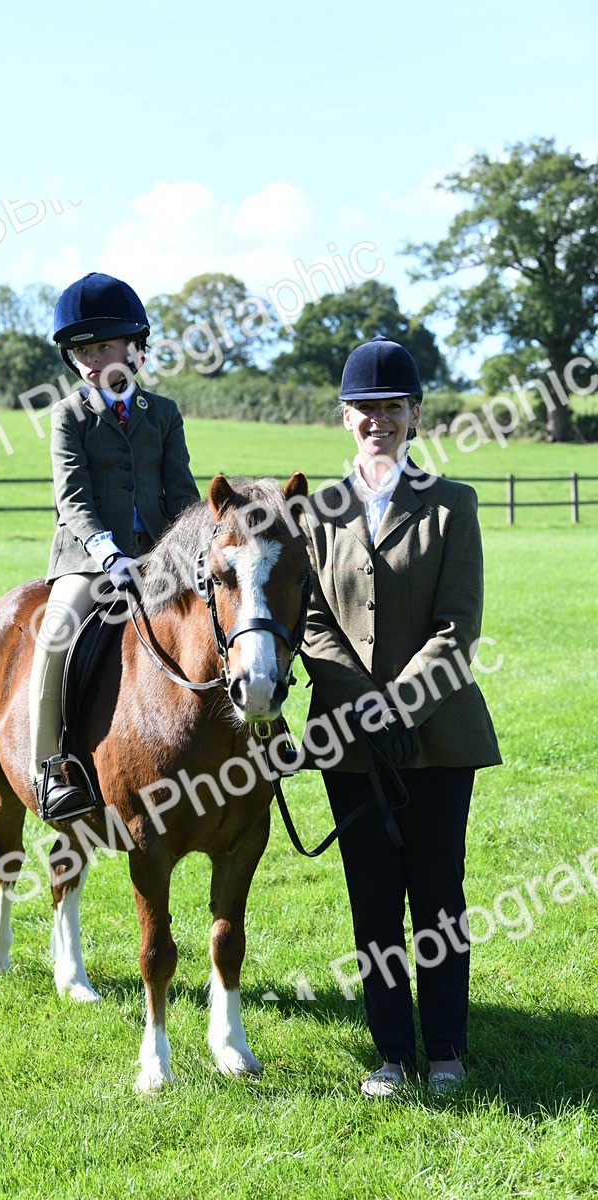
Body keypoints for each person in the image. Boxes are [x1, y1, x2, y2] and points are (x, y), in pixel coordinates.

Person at [300, 334, 501, 1097]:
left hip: (440, 736)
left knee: (438, 897)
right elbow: (312, 622)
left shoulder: (452, 505)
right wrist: (363, 705)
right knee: (372, 897)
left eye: (393, 406)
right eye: (365, 408)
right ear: (345, 417)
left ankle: (445, 1048)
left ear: (415, 414)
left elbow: (458, 629)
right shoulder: (315, 511)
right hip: (350, 742)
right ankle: (391, 1053)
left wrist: (400, 703)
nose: (378, 419)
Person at [28, 272, 200, 821]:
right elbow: (72, 496)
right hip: (87, 560)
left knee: (227, 613)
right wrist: (106, 552)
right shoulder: (68, 417)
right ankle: (50, 767)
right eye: (83, 350)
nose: (94, 359)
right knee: (55, 636)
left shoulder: (164, 414)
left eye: (104, 345)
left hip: (159, 558)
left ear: (136, 348)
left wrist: (191, 549)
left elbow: (183, 494)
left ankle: (264, 732)